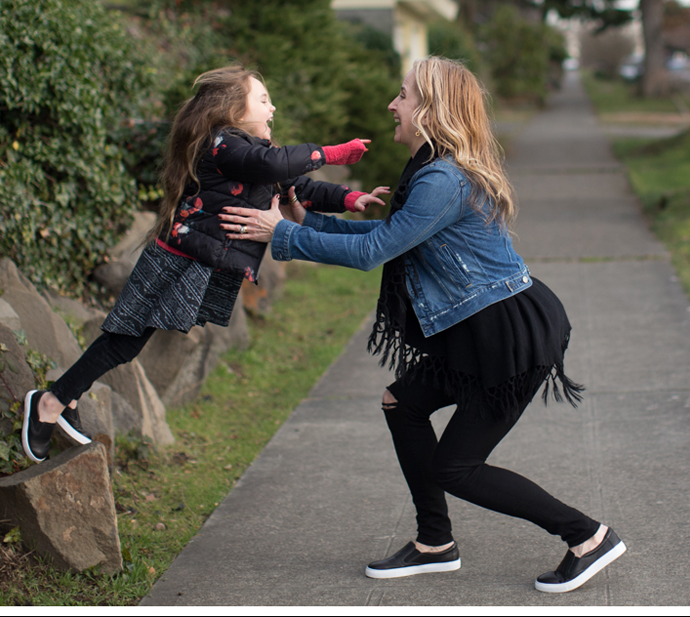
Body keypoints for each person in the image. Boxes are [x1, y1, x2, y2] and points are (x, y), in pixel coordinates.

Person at [220, 56, 626, 594]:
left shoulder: (442, 179)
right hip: (479, 330)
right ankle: (435, 543)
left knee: (457, 467)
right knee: (403, 403)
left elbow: (374, 251)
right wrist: (298, 216)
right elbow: (390, 237)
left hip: (507, 337)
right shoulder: (428, 171)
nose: (393, 104)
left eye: (404, 96)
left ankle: (587, 536)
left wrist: (282, 234)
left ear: (431, 110)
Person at [21, 64, 387, 463]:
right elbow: (276, 166)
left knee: (128, 342)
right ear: (232, 108)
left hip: (195, 262)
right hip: (174, 260)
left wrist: (351, 199)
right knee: (124, 340)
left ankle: (64, 397)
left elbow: (297, 186)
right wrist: (331, 153)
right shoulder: (222, 145)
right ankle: (50, 403)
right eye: (263, 100)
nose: (273, 107)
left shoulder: (252, 154)